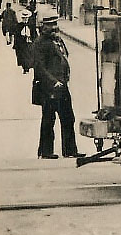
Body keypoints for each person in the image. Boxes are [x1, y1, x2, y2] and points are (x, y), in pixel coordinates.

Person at [32, 12, 83, 159]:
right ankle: (46, 151)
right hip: (49, 88)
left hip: (62, 86)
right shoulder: (40, 43)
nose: (54, 27)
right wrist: (53, 82)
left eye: (55, 24)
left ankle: (70, 150)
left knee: (68, 118)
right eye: (50, 25)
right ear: (43, 27)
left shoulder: (57, 41)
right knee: (49, 119)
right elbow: (39, 67)